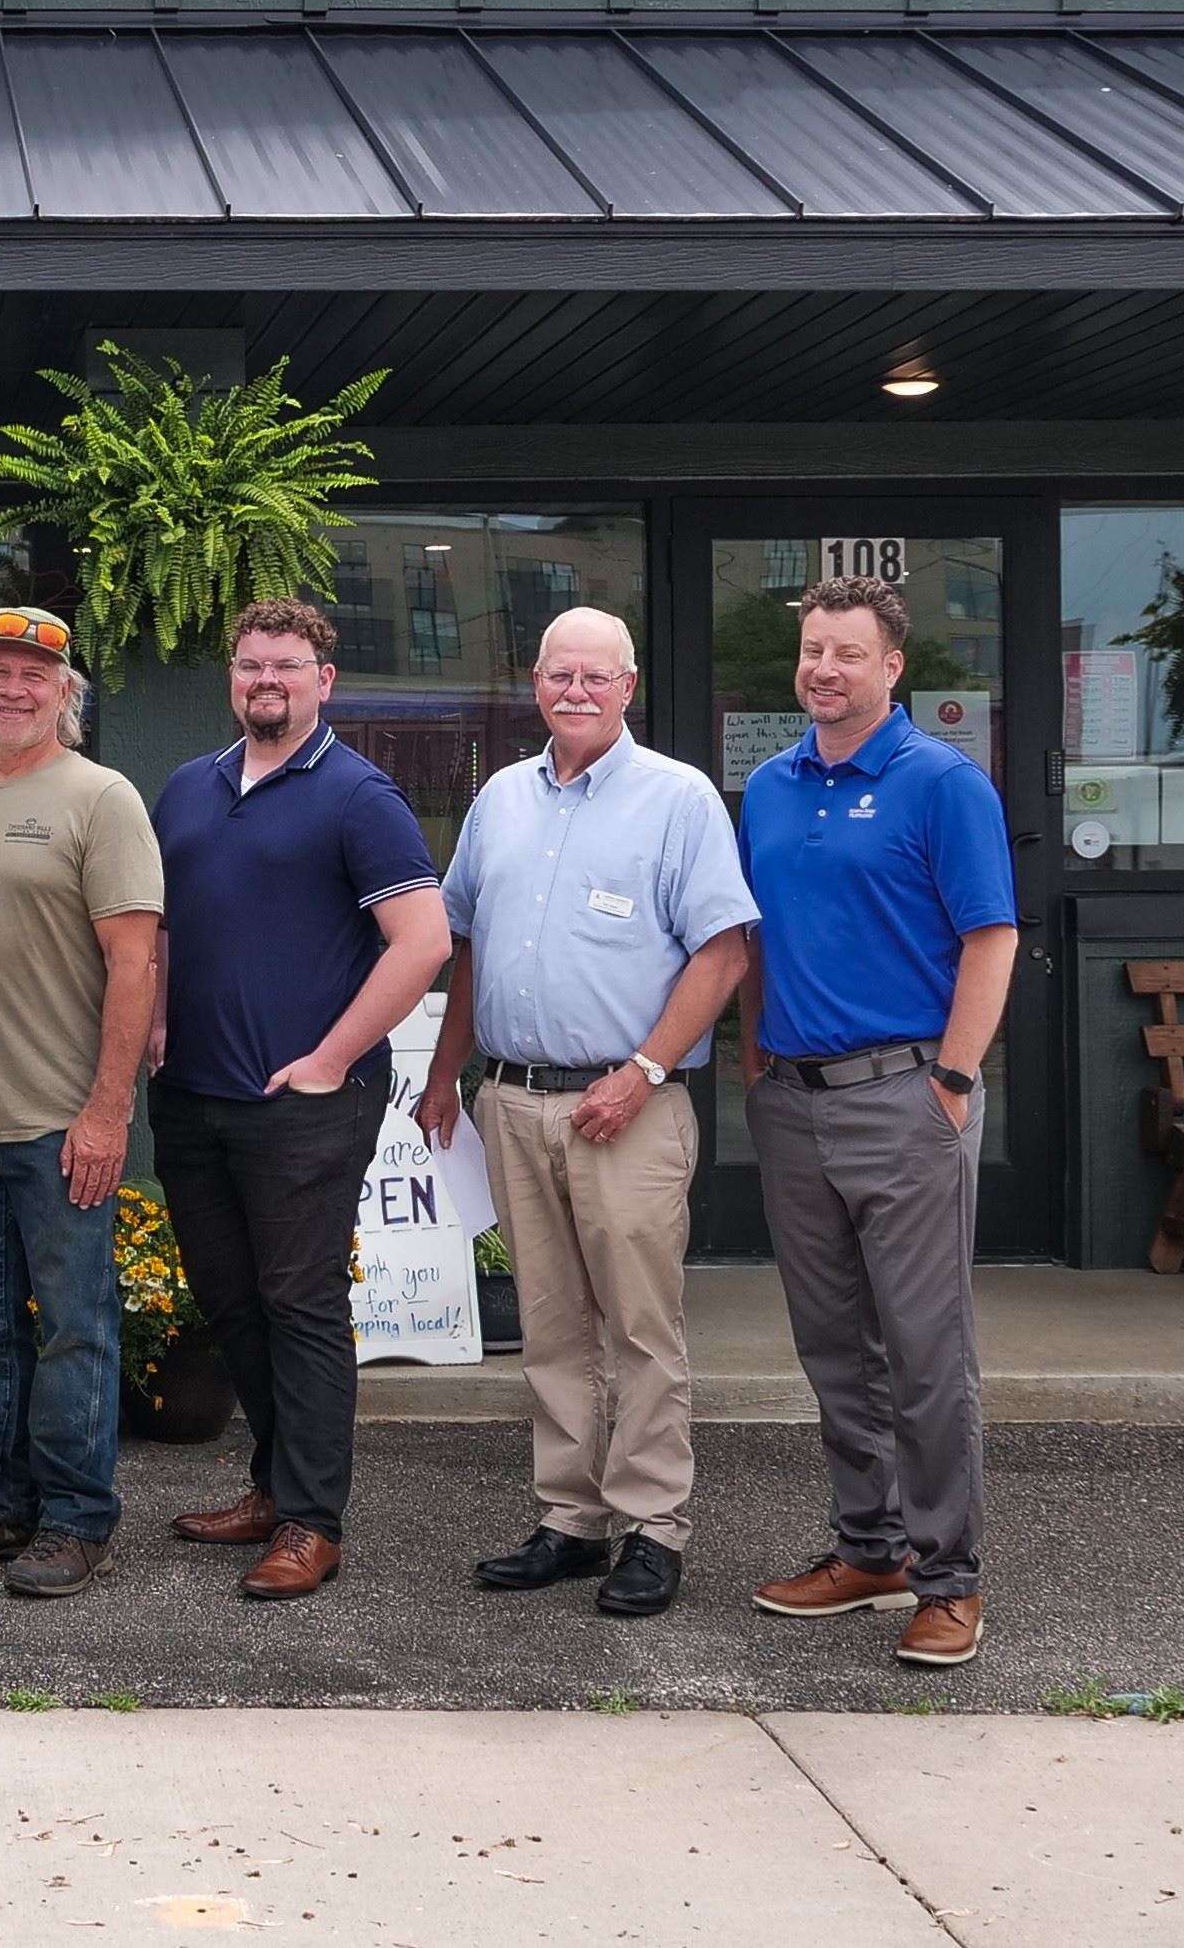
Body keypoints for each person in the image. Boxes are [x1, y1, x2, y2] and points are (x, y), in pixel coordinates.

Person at [420, 607, 757, 1618]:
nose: (573, 689)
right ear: (535, 682)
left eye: (593, 674)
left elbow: (723, 953)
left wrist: (645, 1070)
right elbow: (466, 943)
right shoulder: (499, 798)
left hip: (626, 1105)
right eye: (557, 673)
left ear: (627, 682)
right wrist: (445, 1072)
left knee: (640, 1326)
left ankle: (652, 1523)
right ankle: (570, 1517)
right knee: (552, 1326)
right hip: (514, 1096)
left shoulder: (676, 797)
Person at [737, 574, 1017, 1669]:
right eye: (811, 649)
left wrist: (951, 1077)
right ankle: (870, 1546)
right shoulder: (765, 784)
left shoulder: (940, 782)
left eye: (846, 652)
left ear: (891, 667)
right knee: (831, 1348)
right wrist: (755, 1048)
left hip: (905, 1097)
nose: (822, 668)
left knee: (923, 1351)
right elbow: (755, 933)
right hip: (792, 1103)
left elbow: (987, 938)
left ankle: (948, 1578)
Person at [150, 600, 448, 1601]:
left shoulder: (359, 795)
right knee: (232, 1301)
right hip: (191, 1094)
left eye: (284, 664)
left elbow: (422, 940)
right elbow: (154, 930)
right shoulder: (188, 788)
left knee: (300, 1301)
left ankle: (313, 1519)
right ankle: (271, 1487)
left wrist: (330, 1055)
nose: (262, 680)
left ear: (324, 677)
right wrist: (150, 1017)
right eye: (246, 665)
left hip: (304, 1103)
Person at [0, 608, 162, 1600]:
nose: (13, 686)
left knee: (72, 1327)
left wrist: (107, 1110)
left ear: (67, 693)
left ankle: (75, 1517)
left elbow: (134, 959)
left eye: (34, 673)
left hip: (59, 1120)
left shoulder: (101, 797)